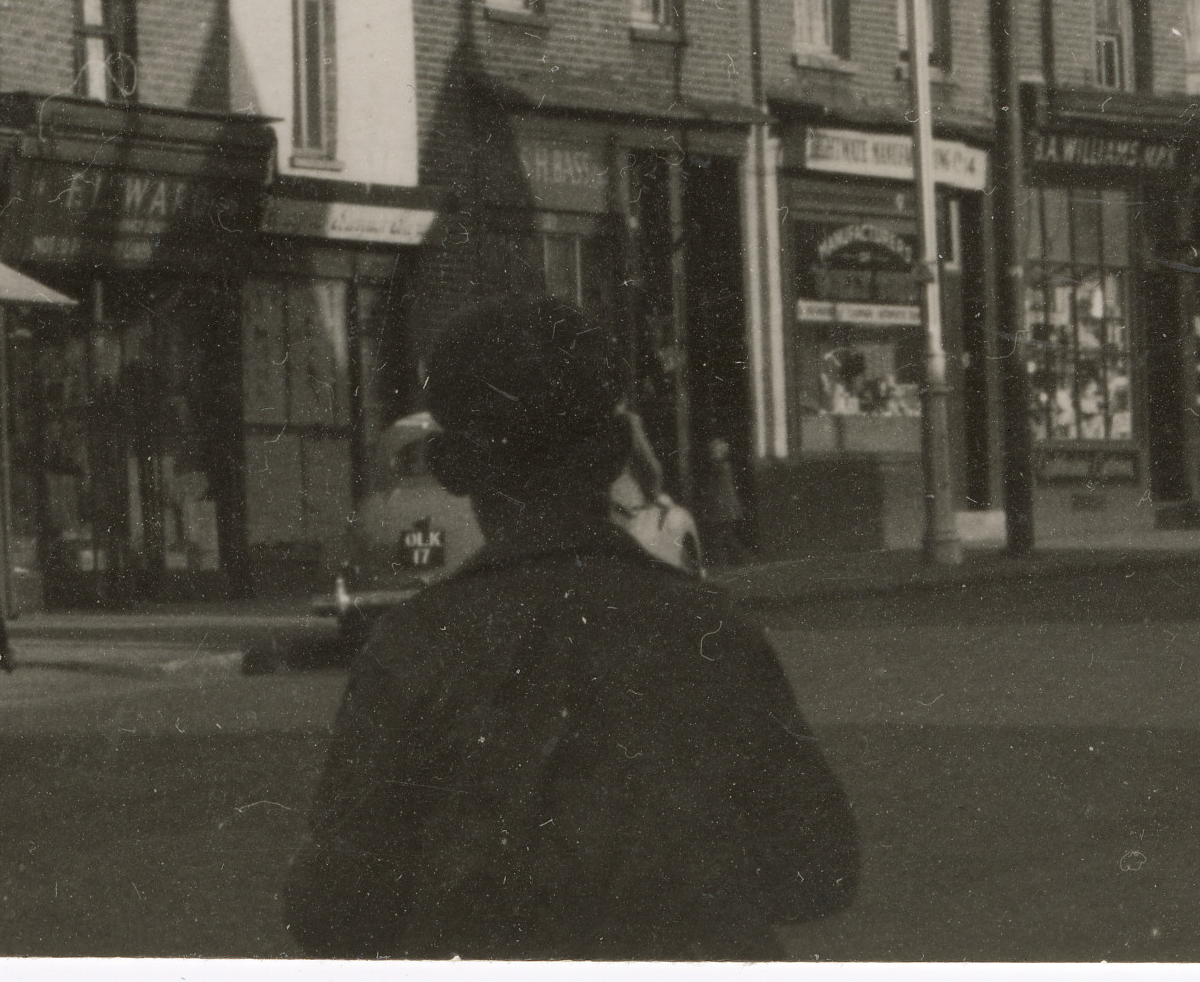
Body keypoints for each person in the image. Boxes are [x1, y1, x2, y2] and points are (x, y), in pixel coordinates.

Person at [287, 303, 860, 958]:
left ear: (451, 464)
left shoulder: (414, 646)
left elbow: (332, 910)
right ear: (615, 451)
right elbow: (819, 869)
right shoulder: (710, 628)